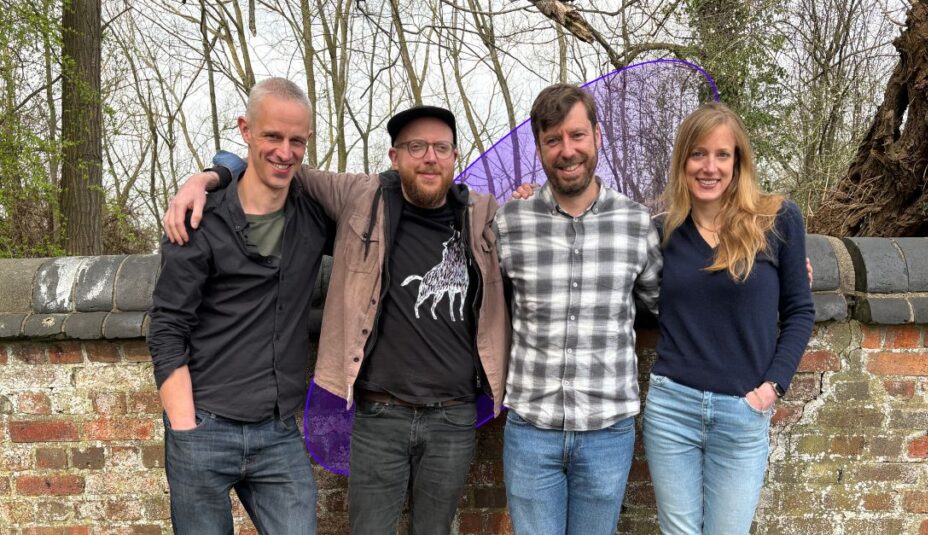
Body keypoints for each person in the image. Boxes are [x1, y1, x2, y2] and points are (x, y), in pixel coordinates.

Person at [163, 105, 510, 534]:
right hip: (380, 413)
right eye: (415, 147)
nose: (429, 157)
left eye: (441, 147)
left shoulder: (483, 215)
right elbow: (278, 163)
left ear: (455, 156)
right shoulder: (359, 197)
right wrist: (210, 175)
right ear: (394, 155)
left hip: (454, 417)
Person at [147, 78, 329, 533]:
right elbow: (167, 328)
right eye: (272, 136)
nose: (285, 152)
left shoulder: (314, 217)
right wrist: (185, 428)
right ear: (246, 129)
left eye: (297, 141)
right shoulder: (200, 219)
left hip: (278, 433)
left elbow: (383, 205)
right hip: (204, 426)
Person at [493, 84, 662, 534]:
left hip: (607, 430)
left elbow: (667, 303)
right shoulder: (510, 222)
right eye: (553, 140)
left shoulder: (635, 223)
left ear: (598, 136)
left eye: (577, 135)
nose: (567, 151)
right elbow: (481, 301)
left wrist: (769, 272)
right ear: (540, 147)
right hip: (531, 428)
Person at [643, 102, 814, 534]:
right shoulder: (663, 231)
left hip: (742, 411)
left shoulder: (777, 221)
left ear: (739, 163)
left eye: (722, 155)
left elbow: (799, 311)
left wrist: (771, 388)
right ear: (683, 161)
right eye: (698, 154)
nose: (709, 167)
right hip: (672, 409)